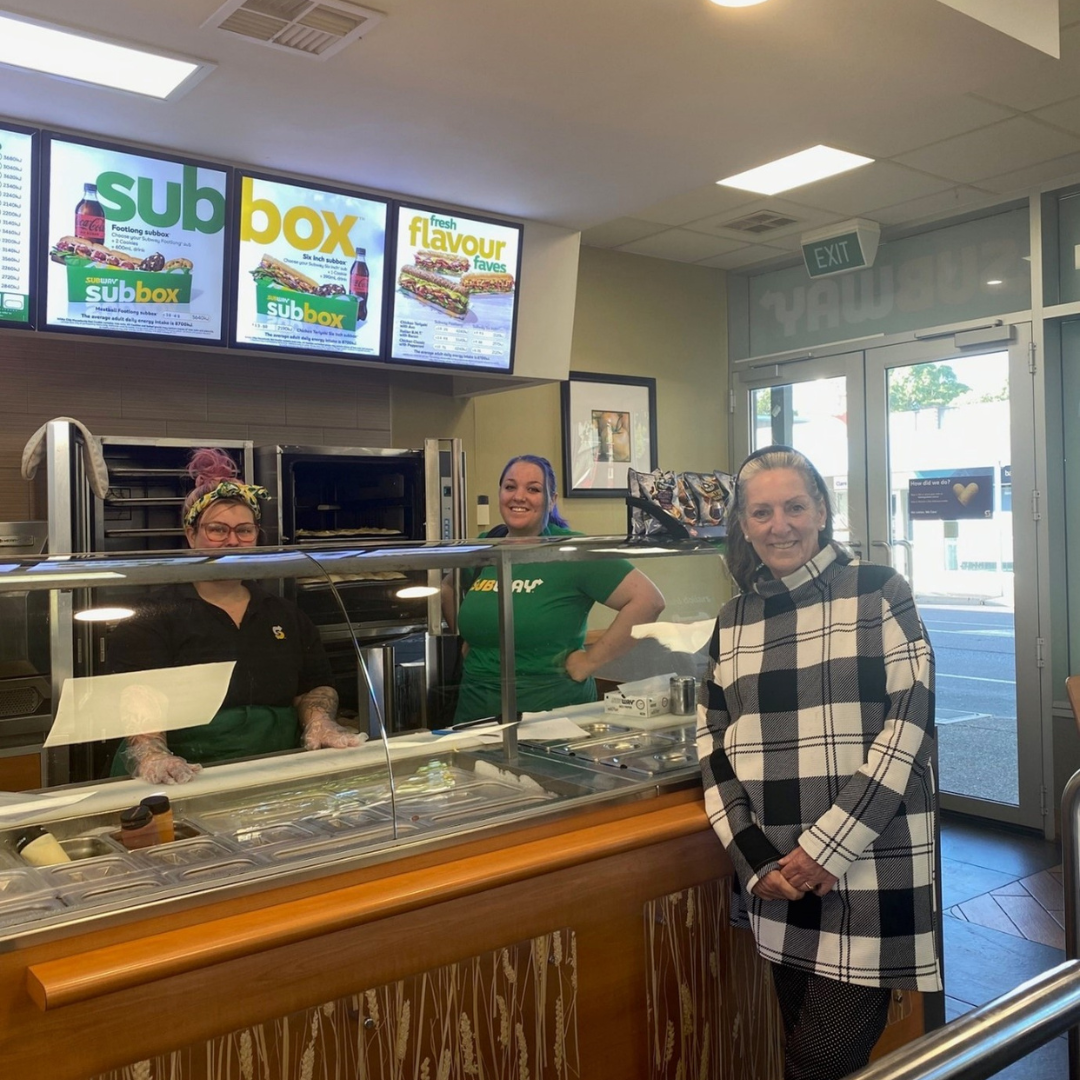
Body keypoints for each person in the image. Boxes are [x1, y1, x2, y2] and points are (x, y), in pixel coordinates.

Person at [697, 445, 940, 1080]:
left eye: (795, 506)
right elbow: (713, 747)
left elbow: (907, 730)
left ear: (823, 510)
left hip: (867, 868)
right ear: (744, 526)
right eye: (762, 512)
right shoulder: (732, 621)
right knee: (799, 1043)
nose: (781, 525)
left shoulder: (880, 590)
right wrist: (754, 860)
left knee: (817, 1061)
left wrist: (825, 852)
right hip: (777, 876)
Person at [108, 448, 362, 784]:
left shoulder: (285, 614)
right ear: (191, 534)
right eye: (217, 530)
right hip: (185, 772)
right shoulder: (154, 616)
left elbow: (314, 685)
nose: (233, 541)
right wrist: (153, 754)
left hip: (275, 767)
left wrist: (320, 722)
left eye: (244, 531)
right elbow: (139, 696)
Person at [446, 453, 665, 723]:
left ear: (551, 500)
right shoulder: (486, 545)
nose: (519, 496)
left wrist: (590, 661)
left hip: (554, 718)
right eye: (510, 487)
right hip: (474, 715)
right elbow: (448, 590)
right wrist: (467, 636)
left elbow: (648, 601)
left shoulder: (572, 551)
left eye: (533, 489)